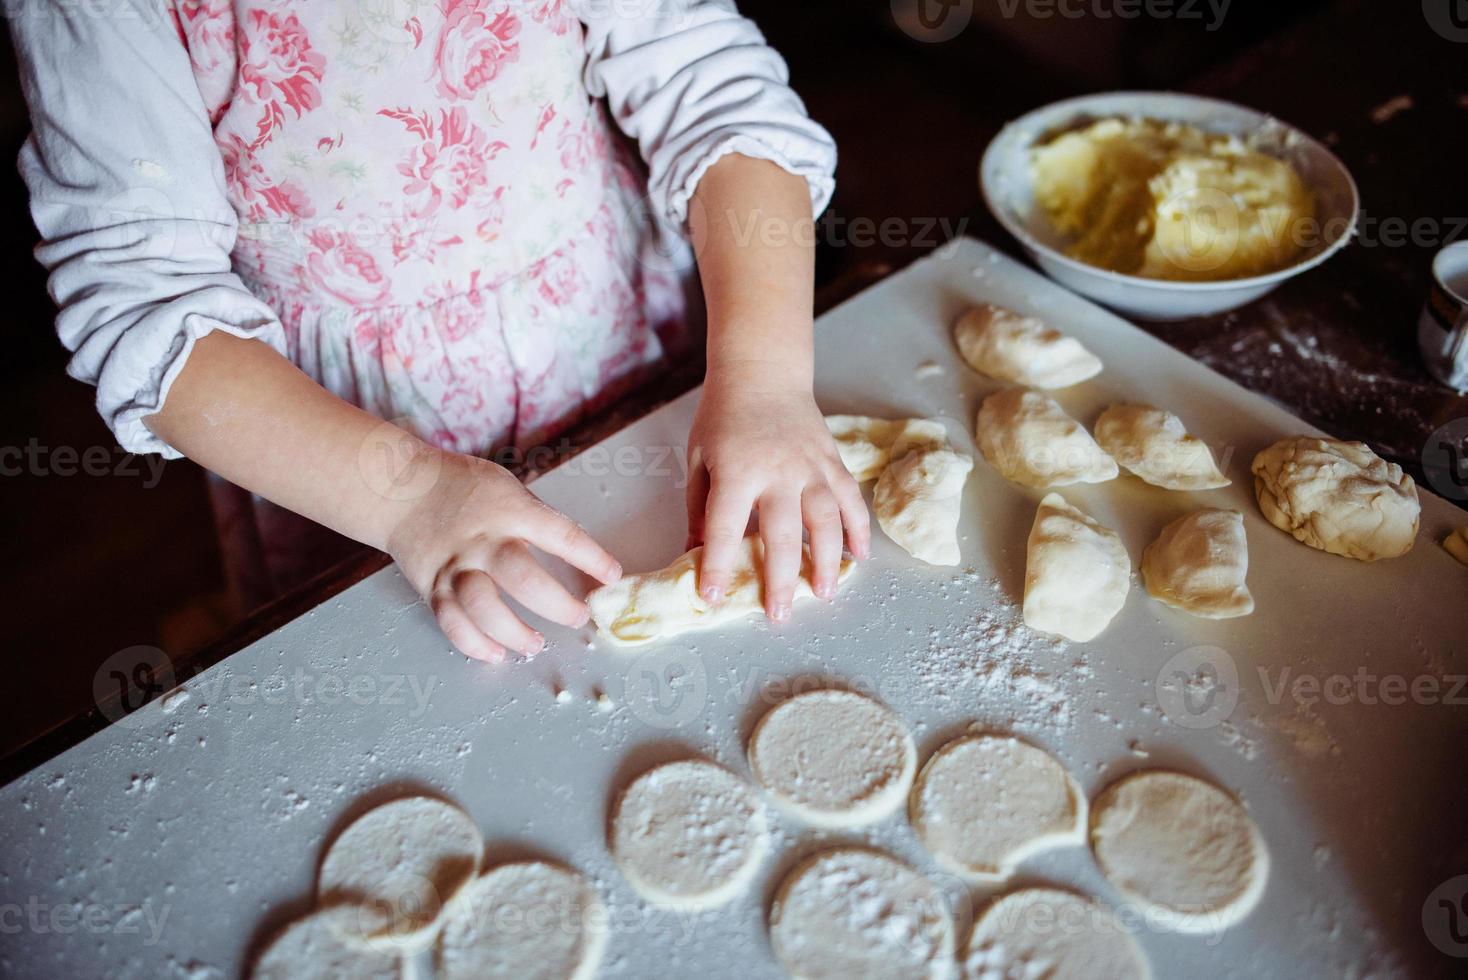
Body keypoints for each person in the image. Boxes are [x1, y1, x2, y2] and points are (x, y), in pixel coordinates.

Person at [9, 0, 869, 661]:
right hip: (353, 466)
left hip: (619, 344)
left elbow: (713, 89)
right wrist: (411, 499)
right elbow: (144, 305)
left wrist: (763, 375)